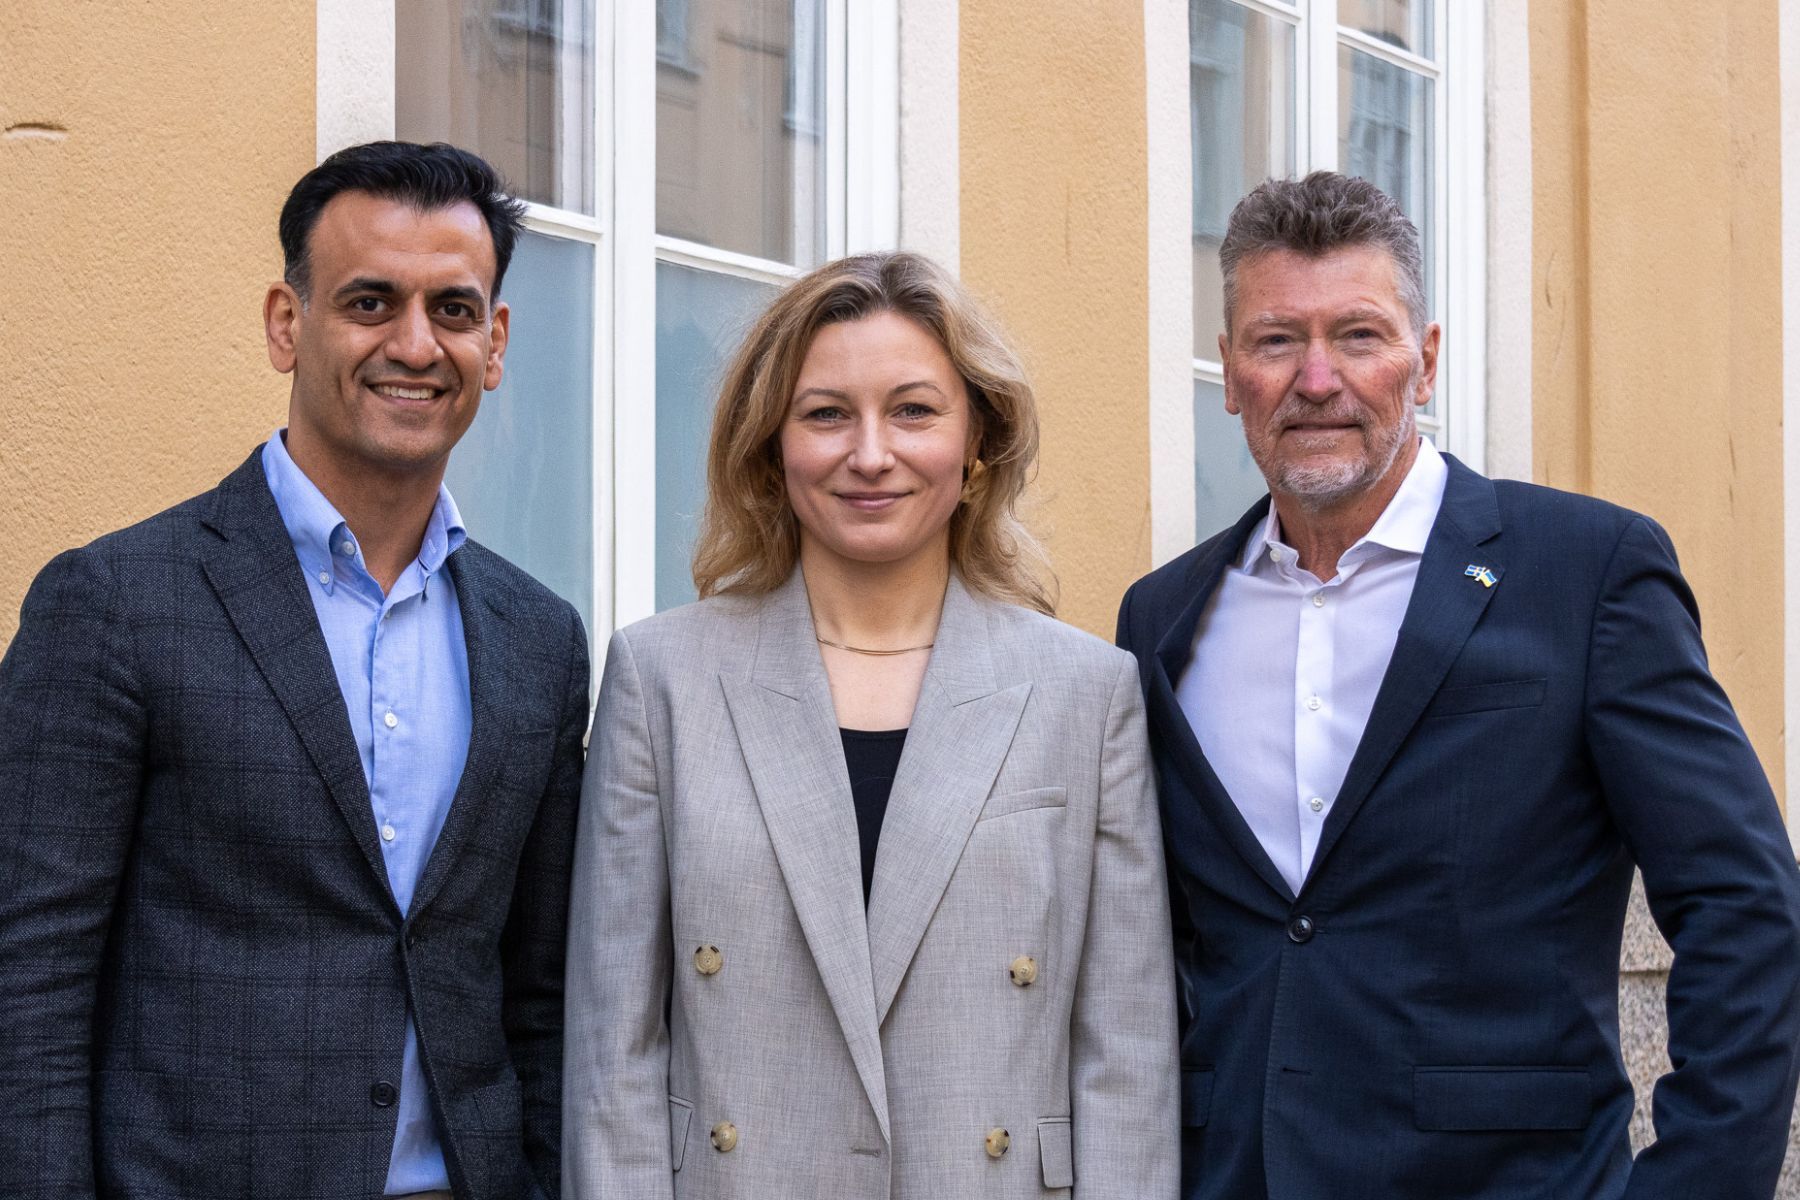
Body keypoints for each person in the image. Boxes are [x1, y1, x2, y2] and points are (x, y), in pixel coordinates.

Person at [1116, 169, 1800, 1199]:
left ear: (1424, 362)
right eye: (1275, 341)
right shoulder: (1164, 620)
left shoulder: (1588, 572)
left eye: (1358, 336)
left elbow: (1745, 907)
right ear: (1229, 371)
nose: (1316, 380)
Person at [0, 141, 589, 1200]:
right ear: (288, 323)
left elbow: (537, 1001)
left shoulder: (540, 641)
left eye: (453, 310)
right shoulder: (118, 603)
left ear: (495, 343)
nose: (416, 343)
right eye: (371, 301)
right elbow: (27, 986)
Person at [564, 250, 1177, 1199]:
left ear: (977, 441)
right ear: (772, 444)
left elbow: (1126, 1056)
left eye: (914, 409)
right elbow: (616, 1055)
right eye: (826, 414)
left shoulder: (1086, 694)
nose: (871, 452)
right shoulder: (663, 678)